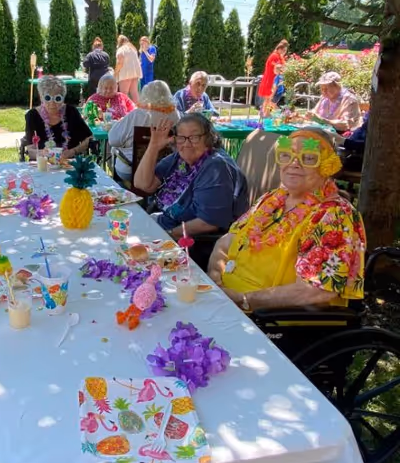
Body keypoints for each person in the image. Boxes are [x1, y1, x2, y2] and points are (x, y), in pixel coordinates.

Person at [208, 128, 365, 312]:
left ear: (326, 165)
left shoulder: (334, 216)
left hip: (270, 319)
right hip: (227, 301)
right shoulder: (271, 199)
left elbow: (315, 291)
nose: (294, 164)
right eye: (287, 155)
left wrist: (244, 300)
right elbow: (226, 242)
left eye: (308, 158)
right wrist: (214, 278)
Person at [134, 113, 249, 267]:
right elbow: (143, 184)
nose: (187, 144)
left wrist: (167, 236)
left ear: (208, 139)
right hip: (165, 223)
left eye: (194, 137)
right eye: (181, 137)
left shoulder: (216, 167)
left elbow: (208, 223)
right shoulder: (180, 158)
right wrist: (153, 147)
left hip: (195, 244)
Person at [108, 80, 180, 182]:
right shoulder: (175, 115)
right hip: (163, 169)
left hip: (131, 170)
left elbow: (112, 140)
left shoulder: (137, 114)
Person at [25, 75, 92, 158]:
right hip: (42, 164)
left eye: (57, 99)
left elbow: (89, 138)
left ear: (63, 98)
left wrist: (73, 151)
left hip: (69, 164)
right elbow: (30, 150)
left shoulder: (71, 112)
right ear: (41, 98)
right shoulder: (32, 115)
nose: (52, 103)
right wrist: (43, 153)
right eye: (47, 98)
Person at [257, 39, 288, 108]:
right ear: (279, 49)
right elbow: (278, 67)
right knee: (269, 99)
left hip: (275, 80)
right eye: (283, 50)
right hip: (270, 80)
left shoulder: (279, 56)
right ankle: (267, 114)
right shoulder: (274, 56)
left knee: (270, 100)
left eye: (285, 51)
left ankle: (266, 114)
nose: (284, 52)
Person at [114, 35, 142, 103]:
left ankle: (124, 111)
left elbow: (120, 62)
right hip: (135, 73)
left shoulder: (121, 49)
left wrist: (115, 73)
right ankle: (140, 111)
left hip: (125, 74)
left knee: (123, 94)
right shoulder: (132, 49)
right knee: (134, 93)